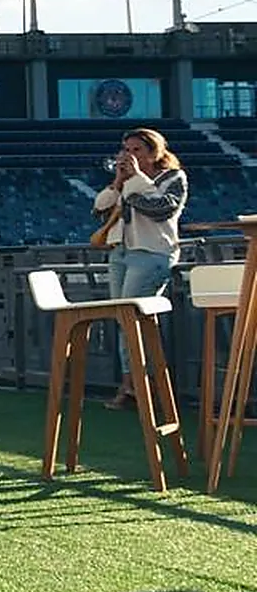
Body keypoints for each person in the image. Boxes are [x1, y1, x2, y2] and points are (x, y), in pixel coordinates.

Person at [91, 127, 187, 411]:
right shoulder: (129, 182)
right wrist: (119, 181)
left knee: (132, 319)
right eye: (127, 150)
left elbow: (161, 209)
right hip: (121, 253)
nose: (130, 156)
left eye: (137, 150)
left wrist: (134, 182)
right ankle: (134, 387)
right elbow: (99, 209)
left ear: (154, 152)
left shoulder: (172, 177)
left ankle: (139, 388)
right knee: (126, 322)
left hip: (151, 254)